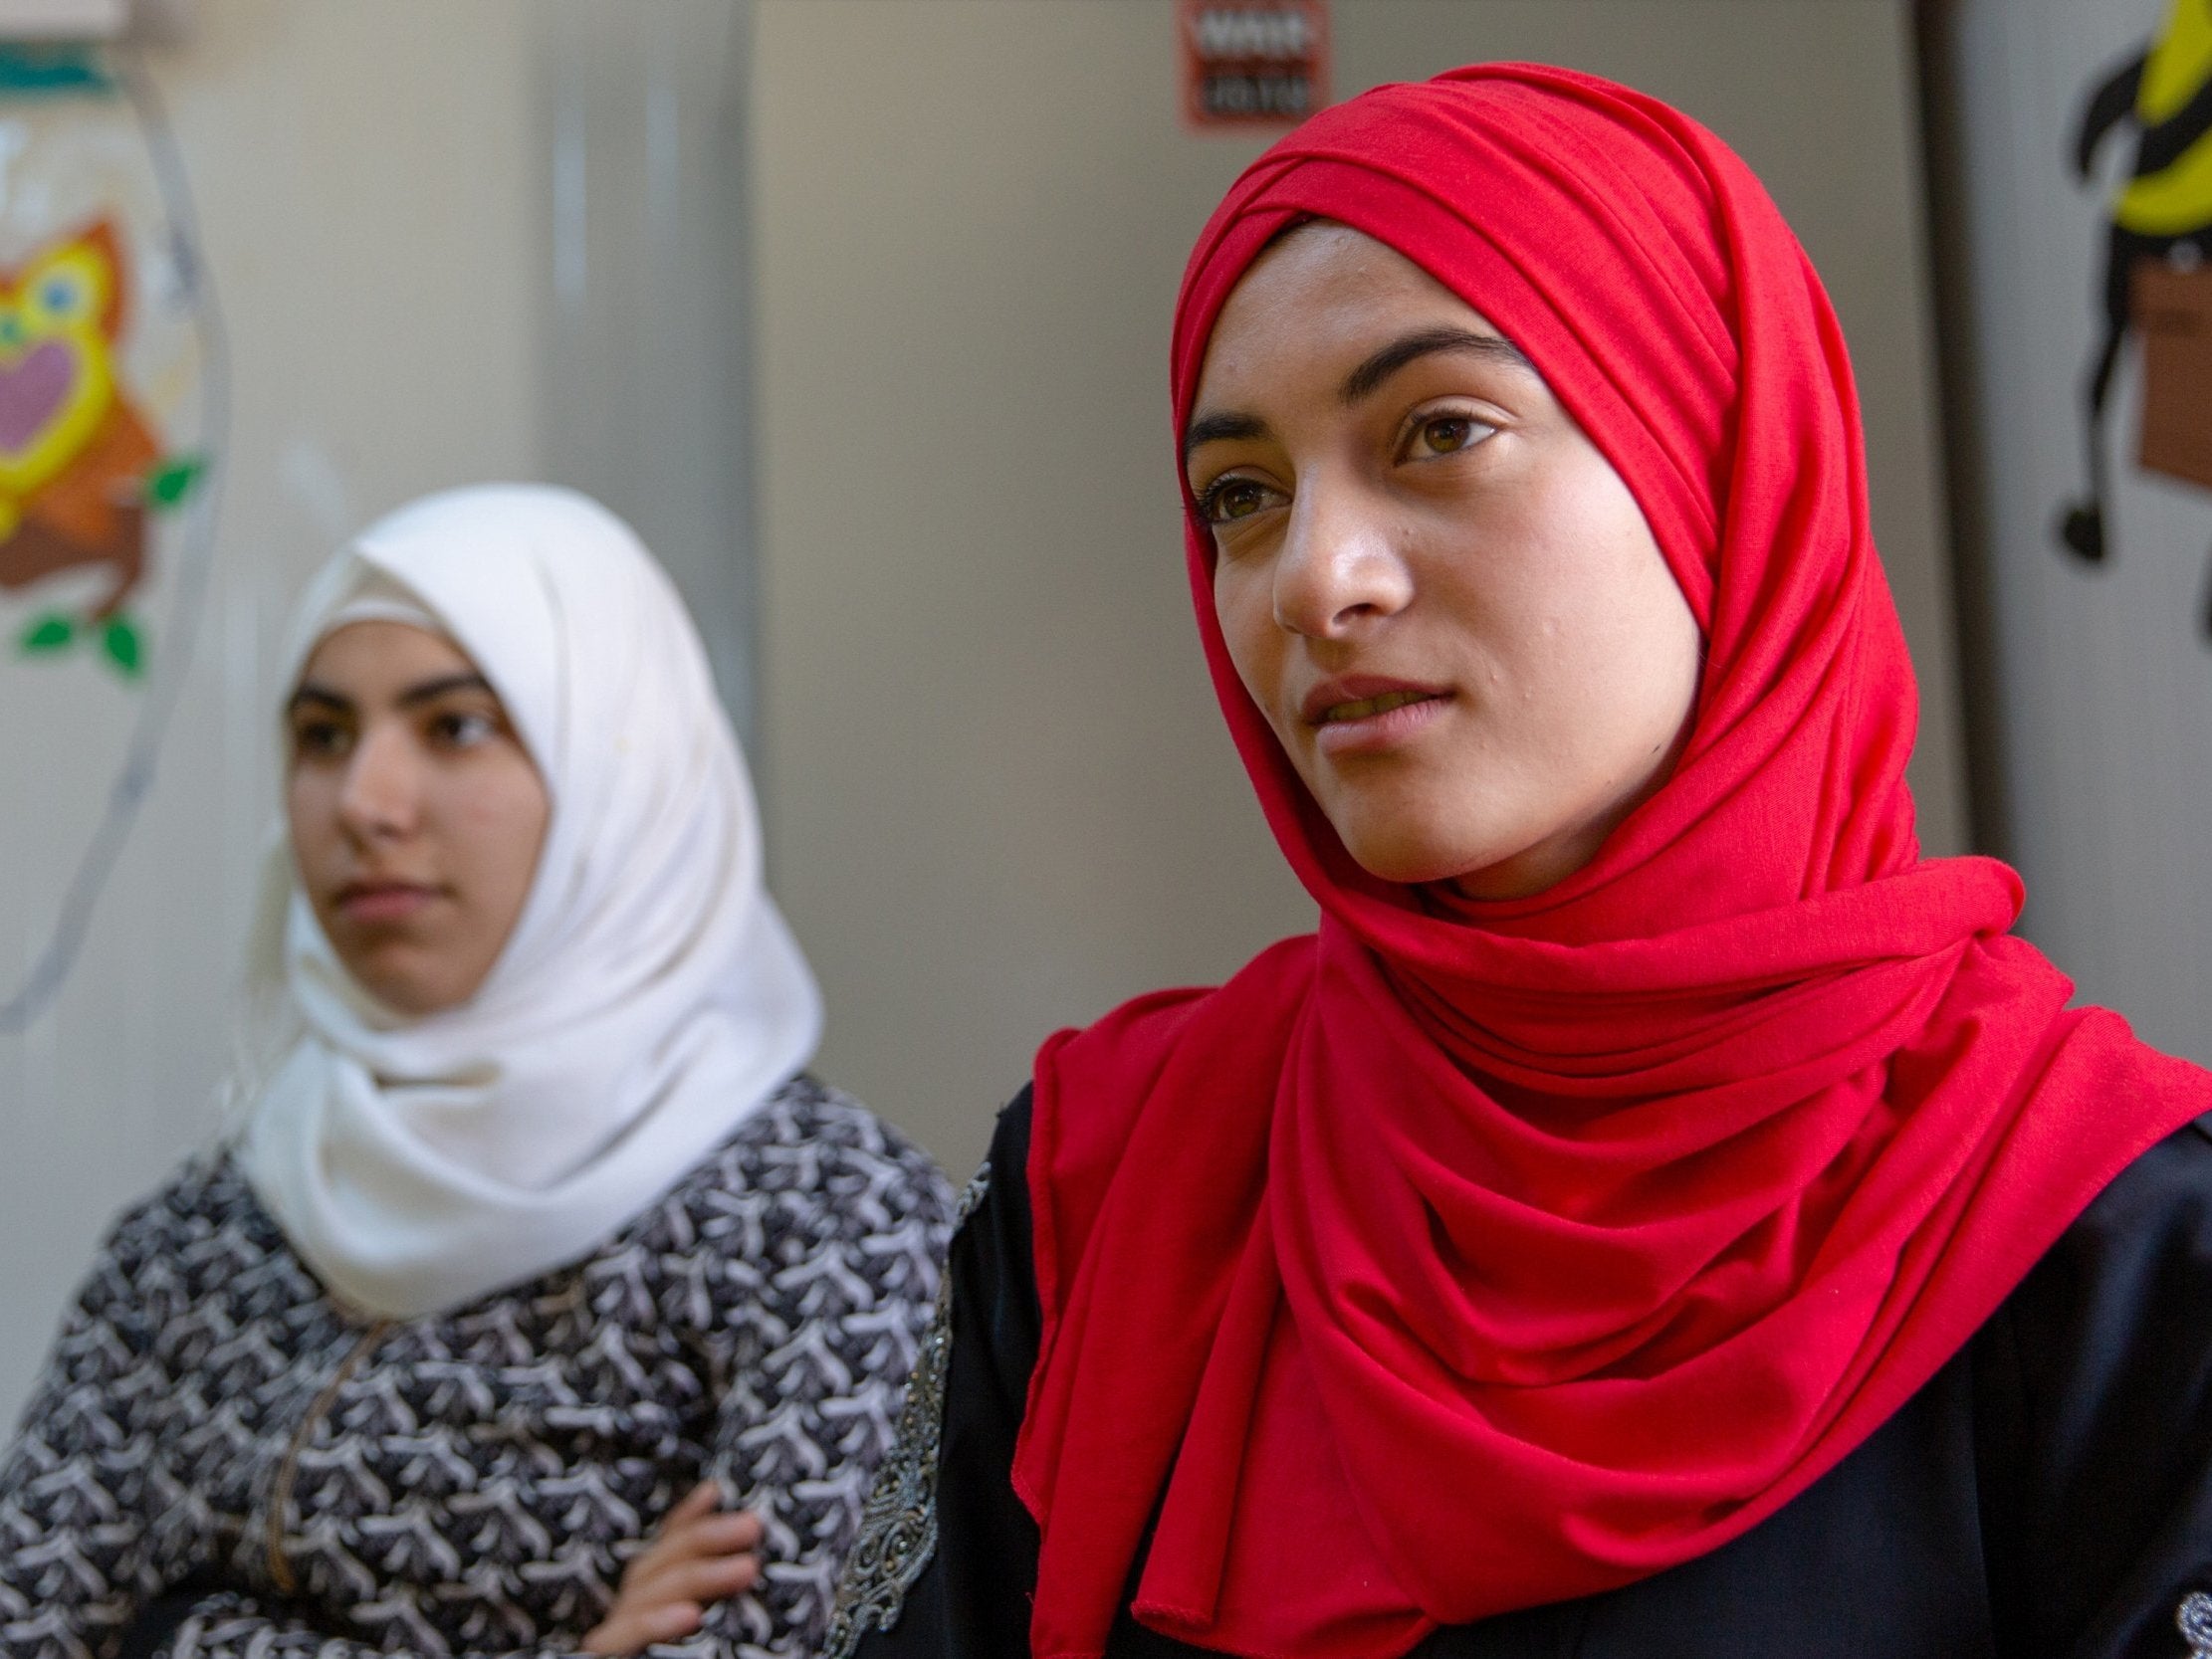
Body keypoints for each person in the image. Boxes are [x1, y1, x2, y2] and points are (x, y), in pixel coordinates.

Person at [827, 65, 2212, 1659]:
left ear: (1716, 463)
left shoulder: (2104, 1231)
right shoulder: (1099, 1175)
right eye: (1240, 497)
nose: (1310, 580)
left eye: (1438, 430)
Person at [0, 485, 955, 1659]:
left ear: (624, 769)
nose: (365, 802)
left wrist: (184, 1635)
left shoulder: (823, 1219)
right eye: (322, 734)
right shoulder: (207, 1233)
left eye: (453, 726)